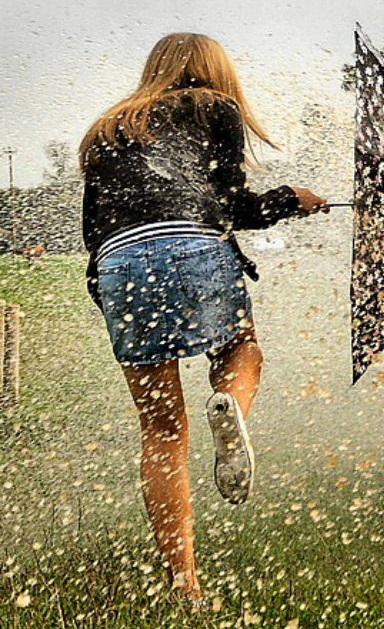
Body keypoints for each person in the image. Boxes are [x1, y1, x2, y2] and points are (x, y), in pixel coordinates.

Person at [78, 32, 326, 603]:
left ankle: (185, 585)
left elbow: (94, 233)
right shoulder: (215, 108)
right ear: (215, 70)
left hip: (120, 265)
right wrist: (293, 198)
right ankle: (231, 408)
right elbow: (234, 207)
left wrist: (115, 300)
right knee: (242, 352)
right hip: (195, 248)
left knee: (162, 432)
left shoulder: (106, 128)